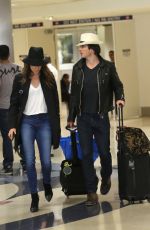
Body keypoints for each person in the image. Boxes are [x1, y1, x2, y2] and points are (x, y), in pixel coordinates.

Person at [67, 33, 125, 206]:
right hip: (83, 118)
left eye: (83, 46)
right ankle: (91, 191)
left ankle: (106, 176)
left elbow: (117, 85)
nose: (80, 49)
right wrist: (71, 116)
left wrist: (120, 97)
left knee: (104, 152)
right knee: (85, 154)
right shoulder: (77, 68)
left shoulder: (107, 67)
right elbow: (74, 95)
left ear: (92, 49)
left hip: (100, 118)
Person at [8, 47, 61, 212]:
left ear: (42, 64)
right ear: (28, 63)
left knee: (46, 161)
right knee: (29, 162)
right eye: (33, 64)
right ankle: (34, 196)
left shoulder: (49, 79)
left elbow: (55, 104)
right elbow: (14, 104)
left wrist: (56, 126)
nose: (36, 67)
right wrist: (12, 126)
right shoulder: (20, 79)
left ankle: (46, 183)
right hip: (27, 123)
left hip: (45, 121)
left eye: (39, 64)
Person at [0, 45, 26, 175]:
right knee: (22, 135)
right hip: (19, 107)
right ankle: (26, 162)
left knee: (7, 137)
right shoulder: (19, 69)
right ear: (9, 54)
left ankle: (8, 165)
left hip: (4, 107)